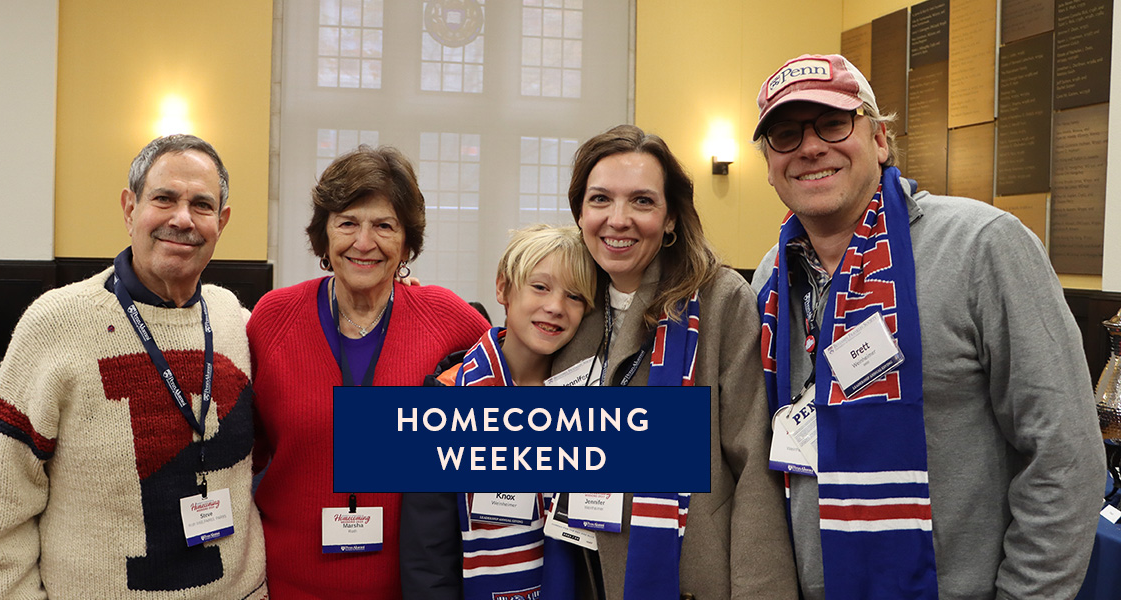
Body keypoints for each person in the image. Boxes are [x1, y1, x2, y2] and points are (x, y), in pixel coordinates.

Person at [750, 54, 1104, 599]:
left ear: (880, 138)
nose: (810, 146)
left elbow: (1063, 453)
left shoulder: (984, 245)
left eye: (833, 123)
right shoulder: (771, 279)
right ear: (770, 162)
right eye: (785, 134)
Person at [0, 134, 268, 598]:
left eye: (201, 205)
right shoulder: (55, 324)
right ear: (129, 209)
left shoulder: (236, 321)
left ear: (221, 222)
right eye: (164, 198)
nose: (182, 219)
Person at [546, 124, 797, 598]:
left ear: (670, 219)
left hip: (690, 571)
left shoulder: (721, 300)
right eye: (600, 199)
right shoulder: (566, 302)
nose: (618, 219)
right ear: (579, 212)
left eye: (641, 201)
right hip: (581, 568)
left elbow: (753, 466)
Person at [247, 145, 490, 598]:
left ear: (406, 241)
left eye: (383, 225)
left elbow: (519, 391)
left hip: (412, 586)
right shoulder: (273, 318)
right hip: (289, 583)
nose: (364, 242)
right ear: (324, 235)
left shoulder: (448, 319)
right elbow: (249, 453)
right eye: (347, 223)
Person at [400, 224, 596, 600]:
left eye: (574, 296)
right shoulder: (447, 396)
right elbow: (427, 556)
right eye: (540, 287)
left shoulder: (592, 394)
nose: (555, 306)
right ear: (503, 289)